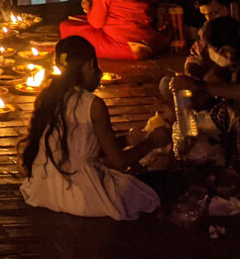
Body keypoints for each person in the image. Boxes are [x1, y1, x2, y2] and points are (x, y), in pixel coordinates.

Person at [20, 36, 167, 219]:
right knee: (159, 187)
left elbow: (81, 147)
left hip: (45, 189)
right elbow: (118, 162)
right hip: (81, 193)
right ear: (90, 65)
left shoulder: (46, 96)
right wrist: (153, 142)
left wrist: (128, 140)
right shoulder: (93, 105)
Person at [172, 16, 240, 178]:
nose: (205, 52)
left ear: (225, 50)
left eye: (208, 47)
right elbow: (202, 94)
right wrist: (186, 92)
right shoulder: (231, 64)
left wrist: (200, 86)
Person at [184, 0, 240, 79]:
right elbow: (196, 55)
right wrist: (192, 69)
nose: (209, 20)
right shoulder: (208, 29)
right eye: (205, 14)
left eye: (214, 13)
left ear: (232, 7)